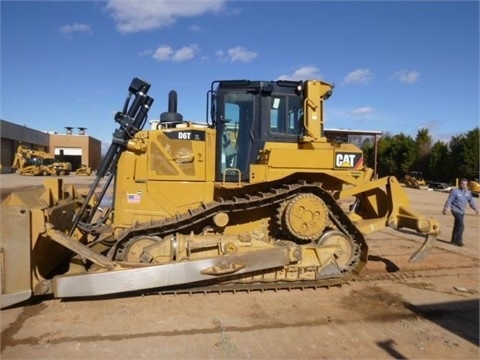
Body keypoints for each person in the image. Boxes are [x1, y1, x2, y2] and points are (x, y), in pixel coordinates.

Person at [442, 178, 479, 246]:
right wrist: (445, 209)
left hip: (462, 211)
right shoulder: (455, 191)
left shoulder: (468, 192)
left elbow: (471, 202)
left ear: (467, 185)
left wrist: (475, 209)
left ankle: (453, 240)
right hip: (455, 210)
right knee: (461, 225)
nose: (464, 185)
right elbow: (449, 200)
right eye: (462, 184)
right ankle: (458, 241)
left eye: (465, 184)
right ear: (460, 184)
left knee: (457, 225)